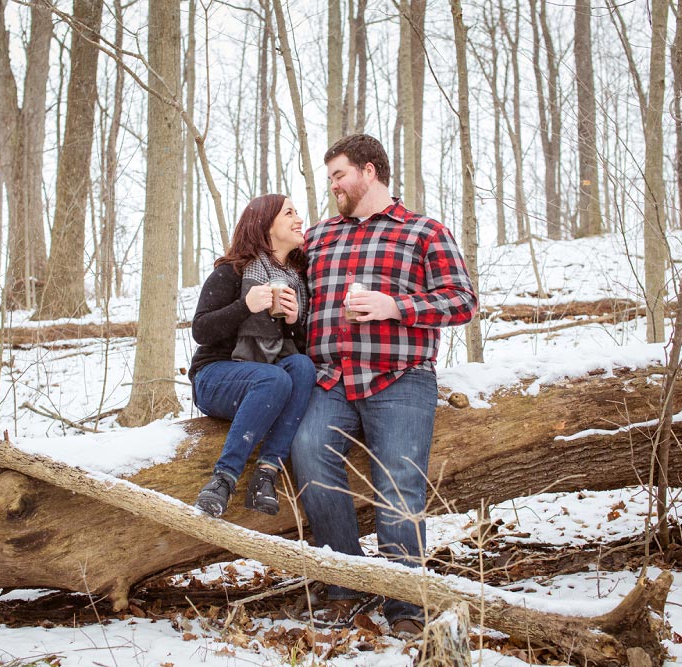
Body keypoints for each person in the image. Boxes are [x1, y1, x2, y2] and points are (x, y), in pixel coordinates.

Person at [290, 134, 477, 636]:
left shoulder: (423, 232)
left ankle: (407, 606)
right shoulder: (320, 236)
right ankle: (346, 585)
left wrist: (397, 306)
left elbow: (462, 300)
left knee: (399, 482)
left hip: (400, 379)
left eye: (339, 175)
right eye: (330, 178)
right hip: (329, 378)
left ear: (369, 172)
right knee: (308, 453)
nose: (332, 186)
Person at [188, 194, 315, 518]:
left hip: (267, 382)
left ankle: (266, 474)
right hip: (216, 377)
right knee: (273, 378)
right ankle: (223, 479)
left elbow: (293, 350)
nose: (299, 219)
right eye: (289, 213)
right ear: (265, 225)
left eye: (297, 212)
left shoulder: (296, 282)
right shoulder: (231, 272)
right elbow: (201, 330)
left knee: (300, 367)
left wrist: (292, 321)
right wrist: (245, 305)